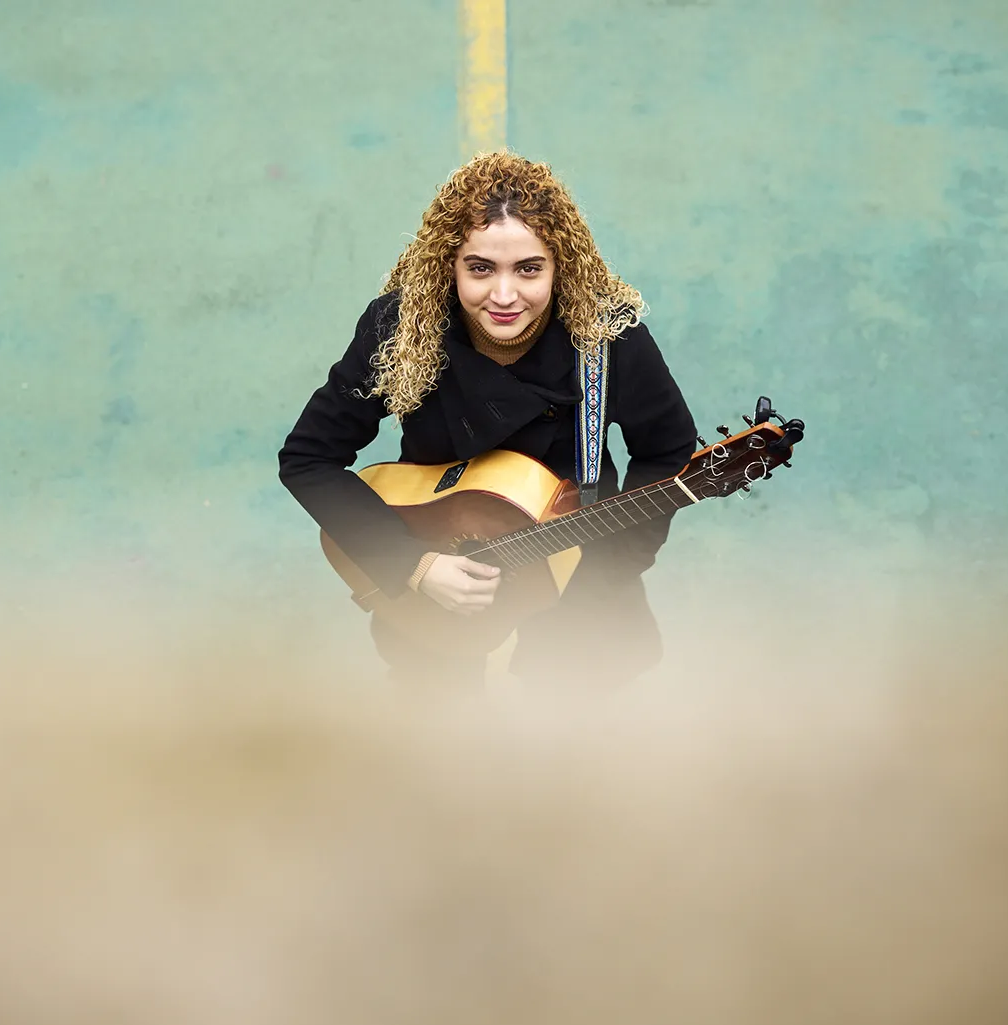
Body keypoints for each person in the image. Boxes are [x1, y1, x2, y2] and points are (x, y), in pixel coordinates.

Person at [277, 151, 699, 696]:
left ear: (560, 266)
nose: (504, 296)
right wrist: (414, 565)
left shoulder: (607, 336)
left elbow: (666, 450)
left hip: (580, 568)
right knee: (438, 725)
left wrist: (603, 572)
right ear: (448, 265)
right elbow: (308, 458)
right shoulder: (400, 327)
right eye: (480, 268)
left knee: (579, 726)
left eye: (529, 269)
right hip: (438, 567)